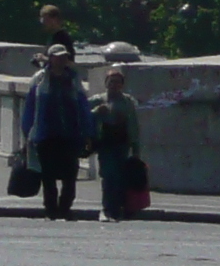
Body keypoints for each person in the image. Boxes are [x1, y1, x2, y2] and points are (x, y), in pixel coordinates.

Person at [20, 43, 94, 220]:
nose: (62, 60)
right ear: (50, 58)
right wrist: (27, 132)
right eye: (58, 56)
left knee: (70, 175)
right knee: (48, 175)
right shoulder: (39, 79)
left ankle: (65, 207)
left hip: (70, 133)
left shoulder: (73, 79)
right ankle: (51, 209)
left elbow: (83, 105)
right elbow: (30, 107)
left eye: (64, 57)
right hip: (46, 134)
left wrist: (88, 132)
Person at [94, 64, 145, 220]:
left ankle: (119, 208)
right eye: (111, 81)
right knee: (108, 177)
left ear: (122, 85)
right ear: (106, 83)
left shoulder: (127, 101)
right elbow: (81, 115)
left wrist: (136, 148)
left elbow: (133, 124)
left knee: (121, 177)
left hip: (122, 144)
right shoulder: (98, 99)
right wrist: (95, 112)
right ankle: (107, 209)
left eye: (117, 82)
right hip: (105, 143)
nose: (114, 85)